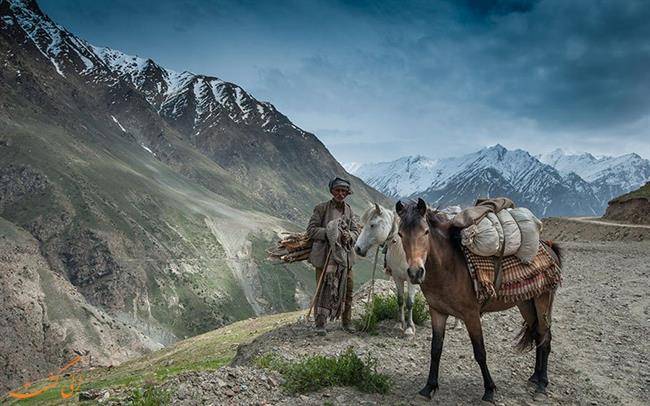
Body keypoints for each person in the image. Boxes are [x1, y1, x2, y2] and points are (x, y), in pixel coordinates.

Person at [306, 177, 359, 335]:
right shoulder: (321, 209)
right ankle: (320, 324)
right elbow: (311, 230)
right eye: (337, 190)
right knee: (323, 289)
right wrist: (331, 233)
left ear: (347, 193)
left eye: (344, 191)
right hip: (325, 258)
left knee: (348, 289)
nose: (340, 194)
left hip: (344, 258)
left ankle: (346, 322)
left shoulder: (349, 210)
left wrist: (349, 235)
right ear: (332, 191)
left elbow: (356, 231)